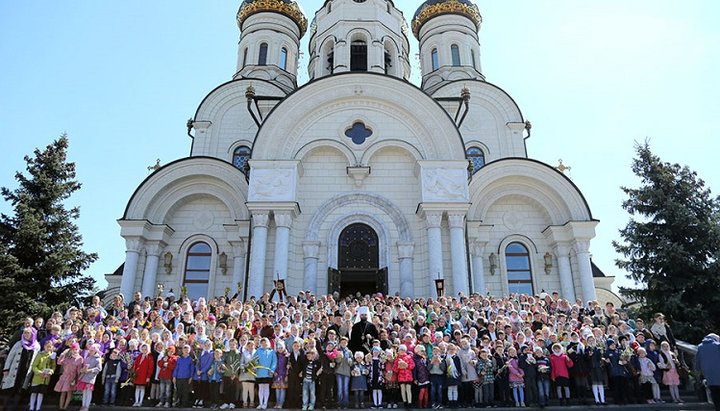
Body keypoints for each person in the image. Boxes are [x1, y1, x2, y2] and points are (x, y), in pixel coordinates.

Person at [54, 342, 84, 410]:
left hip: (72, 377)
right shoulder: (67, 357)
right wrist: (63, 353)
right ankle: (61, 408)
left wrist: (76, 379)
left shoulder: (80, 359)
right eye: (73, 349)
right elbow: (59, 362)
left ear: (78, 349)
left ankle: (65, 407)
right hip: (64, 376)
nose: (74, 351)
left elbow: (79, 371)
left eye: (76, 349)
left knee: (69, 393)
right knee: (63, 392)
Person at [28, 340, 56, 411]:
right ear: (44, 347)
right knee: (34, 392)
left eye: (50, 347)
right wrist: (39, 372)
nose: (48, 348)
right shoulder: (40, 354)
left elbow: (53, 366)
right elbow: (34, 366)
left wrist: (51, 372)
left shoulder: (52, 356)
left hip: (46, 378)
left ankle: (38, 408)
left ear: (52, 347)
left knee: (41, 393)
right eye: (47, 347)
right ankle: (31, 407)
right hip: (37, 377)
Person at [696, 333, 720, 411]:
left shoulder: (700, 347)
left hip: (709, 376)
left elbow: (697, 362)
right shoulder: (718, 345)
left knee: (714, 394)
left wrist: (699, 372)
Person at [77, 343, 103, 411]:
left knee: (88, 392)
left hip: (90, 378)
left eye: (92, 350)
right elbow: (83, 366)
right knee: (84, 392)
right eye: (90, 350)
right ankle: (83, 405)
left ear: (95, 351)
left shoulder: (98, 359)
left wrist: (90, 370)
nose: (90, 351)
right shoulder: (87, 357)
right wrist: (82, 370)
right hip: (84, 377)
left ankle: (86, 406)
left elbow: (99, 369)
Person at [256, 337, 277, 410]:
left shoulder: (271, 351)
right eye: (262, 342)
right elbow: (255, 360)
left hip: (268, 373)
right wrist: (255, 367)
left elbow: (274, 361)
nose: (264, 344)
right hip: (259, 372)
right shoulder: (258, 350)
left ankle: (265, 403)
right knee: (261, 388)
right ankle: (260, 403)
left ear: (268, 343)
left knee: (266, 388)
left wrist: (272, 370)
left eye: (265, 342)